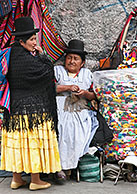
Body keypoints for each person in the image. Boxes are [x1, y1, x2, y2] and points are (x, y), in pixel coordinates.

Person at [0, 17, 61, 190]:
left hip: (14, 109)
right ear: (21, 41)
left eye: (35, 39)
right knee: (33, 144)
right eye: (32, 39)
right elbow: (49, 71)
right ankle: (35, 180)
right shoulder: (31, 60)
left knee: (17, 144)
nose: (35, 42)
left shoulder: (8, 55)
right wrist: (42, 54)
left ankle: (16, 179)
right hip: (34, 110)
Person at [54, 39, 99, 178]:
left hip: (80, 110)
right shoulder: (58, 71)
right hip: (60, 109)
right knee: (62, 130)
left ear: (82, 63)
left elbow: (94, 95)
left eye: (76, 59)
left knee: (79, 133)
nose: (72, 61)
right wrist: (67, 87)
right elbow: (49, 88)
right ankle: (60, 168)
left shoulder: (87, 74)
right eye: (69, 58)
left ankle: (70, 167)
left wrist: (85, 93)